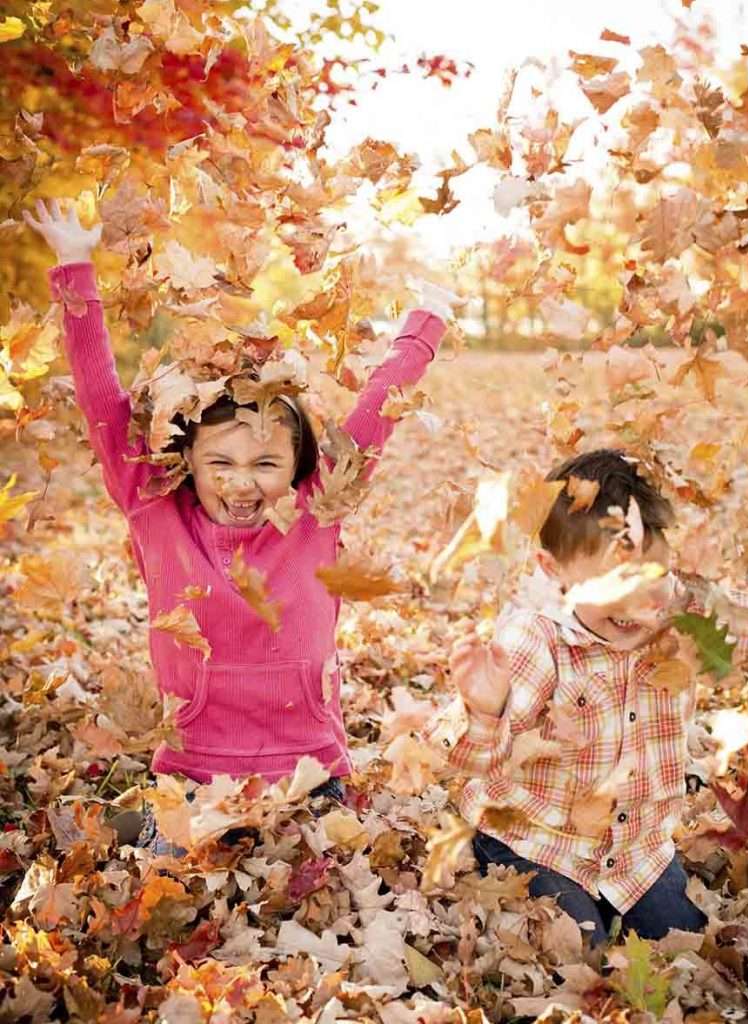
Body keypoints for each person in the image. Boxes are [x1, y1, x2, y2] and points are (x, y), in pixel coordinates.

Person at [25, 197, 456, 853]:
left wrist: (426, 323)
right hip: (196, 772)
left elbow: (378, 407)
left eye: (265, 462)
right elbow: (102, 403)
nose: (240, 481)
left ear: (298, 465)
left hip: (310, 774)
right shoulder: (156, 508)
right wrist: (75, 266)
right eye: (219, 461)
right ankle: (127, 826)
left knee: (319, 903)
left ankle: (132, 826)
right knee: (168, 891)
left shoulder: (317, 507)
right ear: (189, 463)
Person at [424, 449, 748, 946]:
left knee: (682, 939)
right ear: (553, 569)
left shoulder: (683, 616)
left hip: (637, 854)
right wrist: (486, 709)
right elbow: (470, 763)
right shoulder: (535, 638)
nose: (639, 607)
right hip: (539, 842)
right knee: (576, 943)